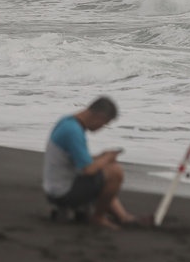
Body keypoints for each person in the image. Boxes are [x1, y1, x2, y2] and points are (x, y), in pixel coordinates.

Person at [42, 96, 145, 228]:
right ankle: (98, 218)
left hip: (54, 188)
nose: (102, 127)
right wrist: (106, 158)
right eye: (105, 123)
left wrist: (102, 157)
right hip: (62, 192)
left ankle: (123, 217)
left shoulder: (67, 122)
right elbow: (88, 169)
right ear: (99, 117)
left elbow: (77, 160)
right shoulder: (73, 131)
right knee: (114, 172)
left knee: (106, 167)